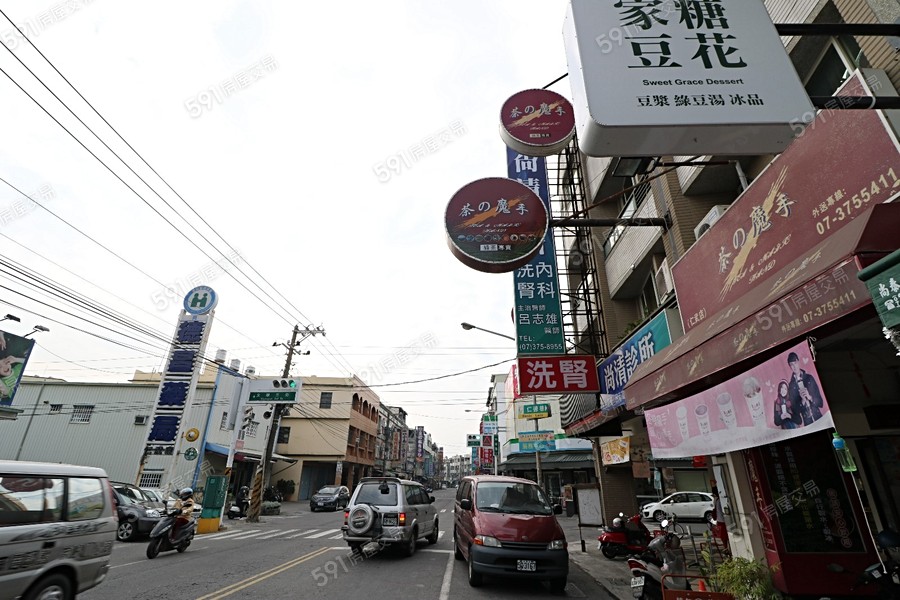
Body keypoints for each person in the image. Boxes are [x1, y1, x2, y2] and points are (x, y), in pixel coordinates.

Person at [786, 352, 824, 426]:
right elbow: (795, 411)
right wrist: (802, 401)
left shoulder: (809, 378)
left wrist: (810, 397)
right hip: (807, 423)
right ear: (790, 366)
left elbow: (820, 403)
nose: (794, 366)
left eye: (795, 363)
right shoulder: (791, 386)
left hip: (819, 418)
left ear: (798, 361)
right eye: (791, 364)